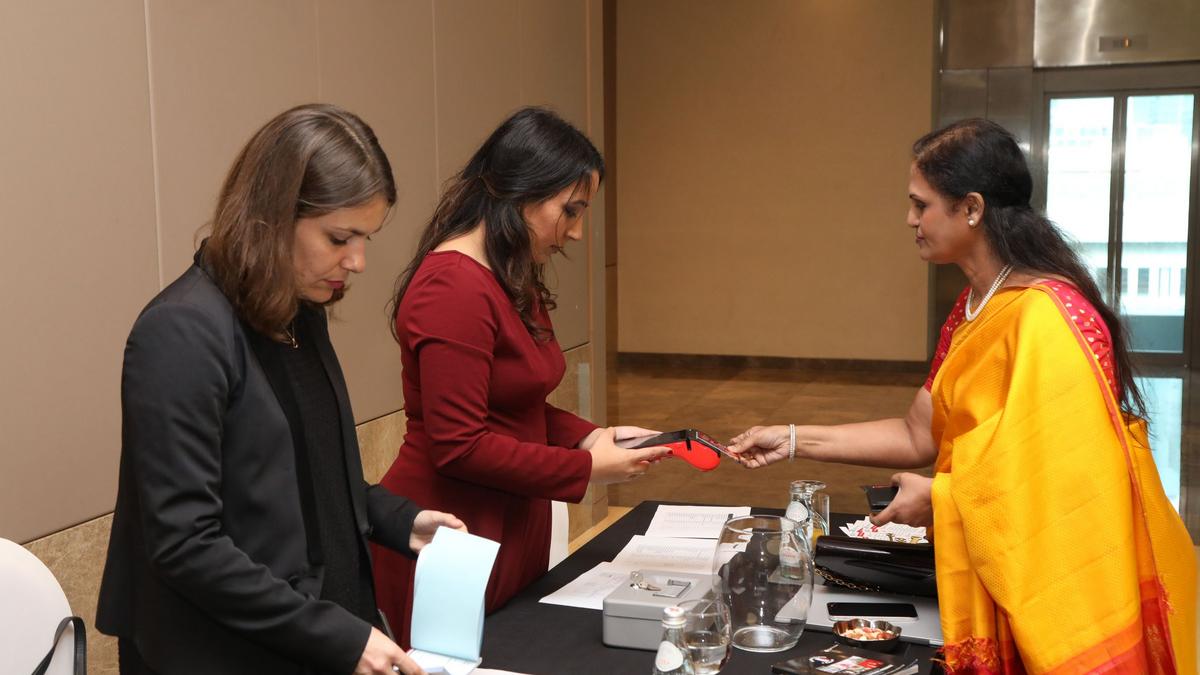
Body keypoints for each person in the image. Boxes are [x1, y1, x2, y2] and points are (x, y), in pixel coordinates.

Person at [728, 119, 1196, 673]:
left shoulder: (1047, 317)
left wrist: (941, 498)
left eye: (920, 205)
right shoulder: (974, 306)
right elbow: (917, 434)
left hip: (1052, 584)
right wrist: (789, 439)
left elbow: (1067, 486)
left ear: (971, 208)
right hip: (986, 559)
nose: (910, 219)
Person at [96, 104, 466, 675]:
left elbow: (307, 479)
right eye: (340, 237)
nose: (358, 261)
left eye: (366, 238)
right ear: (272, 217)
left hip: (307, 636)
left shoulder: (298, 312)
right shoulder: (180, 332)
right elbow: (185, 544)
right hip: (219, 653)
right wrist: (335, 635)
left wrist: (402, 521)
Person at [372, 107, 669, 645]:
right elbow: (459, 445)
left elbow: (515, 403)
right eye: (570, 211)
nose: (575, 233)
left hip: (506, 520)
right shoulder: (452, 285)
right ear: (521, 190)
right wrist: (586, 468)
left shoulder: (507, 273)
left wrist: (589, 437)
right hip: (455, 530)